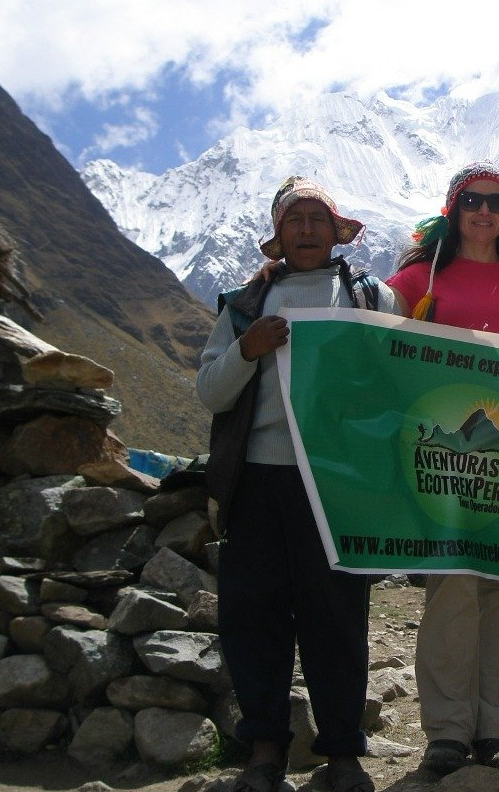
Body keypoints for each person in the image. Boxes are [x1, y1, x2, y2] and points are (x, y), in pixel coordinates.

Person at [197, 176, 400, 792]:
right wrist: (247, 350)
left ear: (339, 231)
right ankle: (263, 749)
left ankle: (341, 752)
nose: (307, 230)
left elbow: (395, 385)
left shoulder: (372, 298)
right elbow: (210, 392)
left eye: (318, 219)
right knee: (253, 613)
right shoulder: (242, 307)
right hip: (256, 479)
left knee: (336, 616)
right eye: (295, 220)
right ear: (277, 234)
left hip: (335, 484)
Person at [386, 162, 499, 777]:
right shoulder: (419, 276)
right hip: (442, 457)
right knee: (451, 590)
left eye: (496, 203)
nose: (484, 212)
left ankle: (497, 730)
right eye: (473, 201)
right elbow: (369, 326)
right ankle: (449, 733)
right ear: (453, 210)